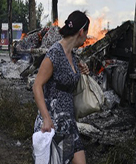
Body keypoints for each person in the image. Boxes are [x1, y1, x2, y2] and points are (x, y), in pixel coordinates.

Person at [33, 10, 90, 164]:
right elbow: (37, 85)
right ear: (80, 32)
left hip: (69, 123)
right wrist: (46, 118)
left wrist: (81, 70)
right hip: (53, 123)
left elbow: (69, 79)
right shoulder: (55, 53)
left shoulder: (72, 54)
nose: (86, 38)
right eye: (86, 34)